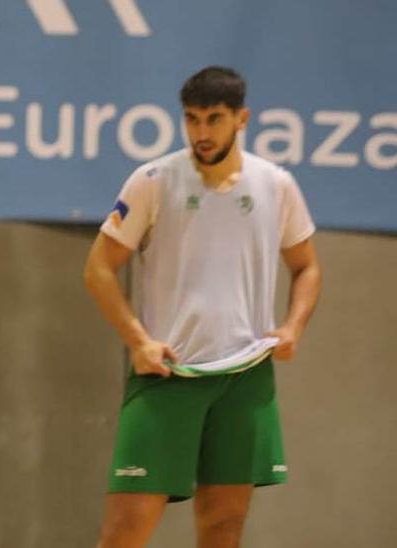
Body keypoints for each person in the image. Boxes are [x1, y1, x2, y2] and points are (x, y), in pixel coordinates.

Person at [83, 66, 322, 548]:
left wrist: (293, 326)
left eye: (214, 119)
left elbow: (307, 267)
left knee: (223, 528)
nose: (202, 132)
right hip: (168, 373)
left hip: (245, 376)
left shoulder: (275, 185)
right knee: (125, 531)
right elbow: (98, 270)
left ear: (241, 119)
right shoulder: (153, 180)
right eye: (192, 120)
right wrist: (138, 341)